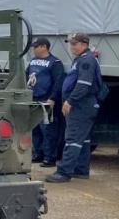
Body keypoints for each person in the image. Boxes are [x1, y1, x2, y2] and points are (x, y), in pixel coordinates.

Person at [46, 33, 102, 183]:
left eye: (74, 44)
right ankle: (80, 170)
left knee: (72, 139)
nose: (71, 47)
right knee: (82, 140)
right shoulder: (82, 59)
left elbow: (84, 84)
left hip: (81, 105)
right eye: (71, 44)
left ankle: (64, 172)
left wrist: (70, 101)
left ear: (84, 44)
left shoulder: (87, 60)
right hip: (84, 104)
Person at [26, 37, 66, 166]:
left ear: (43, 47)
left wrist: (53, 98)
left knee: (48, 130)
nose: (33, 49)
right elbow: (26, 76)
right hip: (33, 99)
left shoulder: (55, 63)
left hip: (46, 101)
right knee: (35, 129)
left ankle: (50, 158)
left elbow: (58, 82)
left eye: (35, 46)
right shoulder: (33, 61)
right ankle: (38, 154)